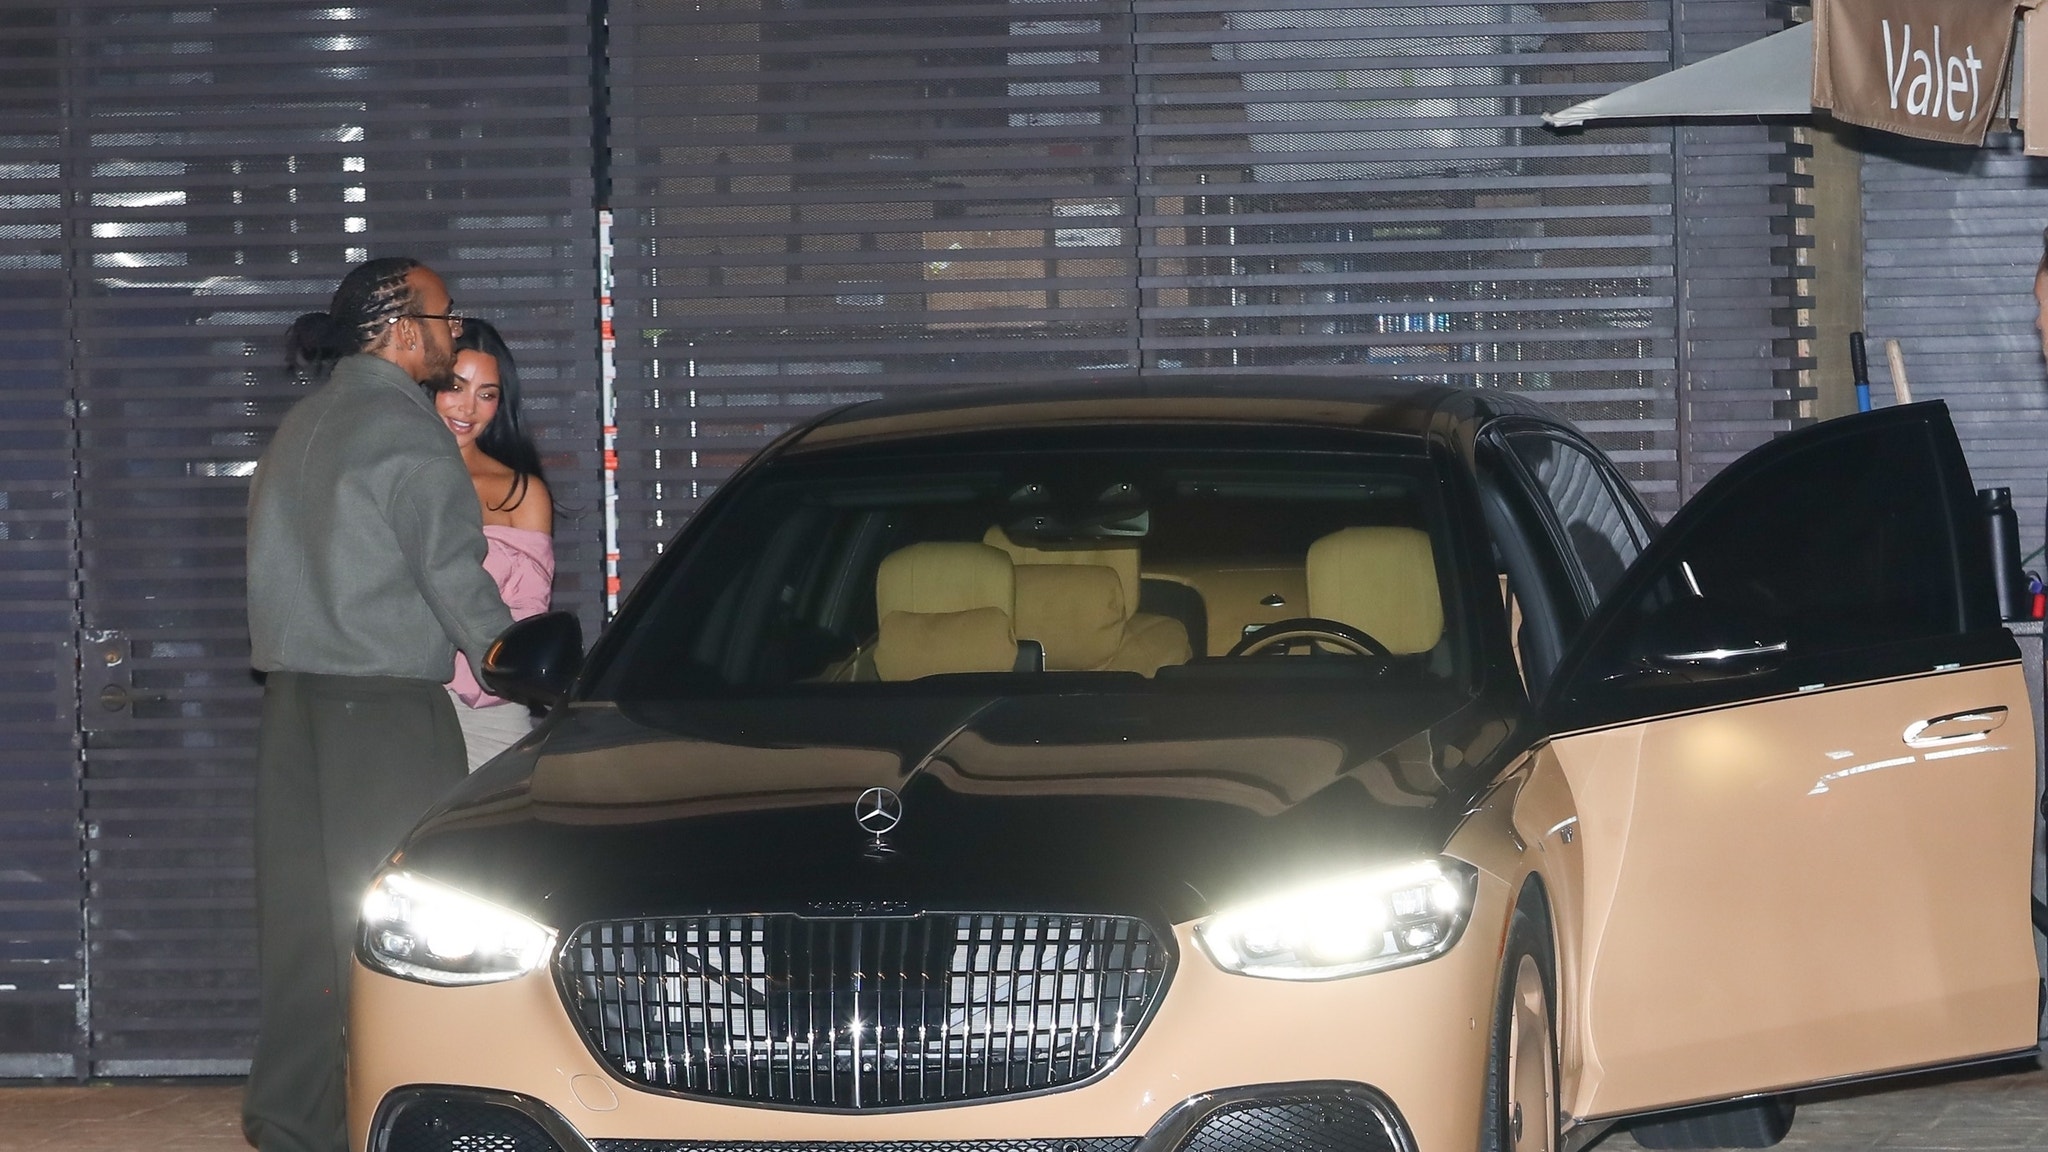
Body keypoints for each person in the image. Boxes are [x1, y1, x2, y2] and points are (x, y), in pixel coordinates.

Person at [243, 257, 512, 1152]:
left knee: (305, 931)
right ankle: (415, 1120)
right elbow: (454, 575)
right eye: (445, 317)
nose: (453, 332)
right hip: (385, 712)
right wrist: (517, 662)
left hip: (293, 708)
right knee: (411, 928)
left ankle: (292, 1121)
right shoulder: (407, 432)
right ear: (403, 331)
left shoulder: (304, 424)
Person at [439, 319, 555, 769]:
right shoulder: (384, 475)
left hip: (488, 710)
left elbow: (527, 618)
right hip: (397, 702)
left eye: (486, 394)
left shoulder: (521, 493)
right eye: (455, 386)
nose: (468, 408)